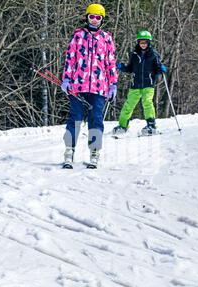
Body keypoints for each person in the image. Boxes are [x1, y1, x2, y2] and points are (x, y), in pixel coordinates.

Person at [61, 3, 118, 169]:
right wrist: (66, 79)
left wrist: (113, 84)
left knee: (96, 119)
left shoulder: (106, 38)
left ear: (102, 19)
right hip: (77, 86)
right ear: (87, 17)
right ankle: (69, 151)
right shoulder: (78, 36)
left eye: (97, 17)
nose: (94, 20)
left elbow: (110, 62)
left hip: (99, 88)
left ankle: (94, 152)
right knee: (75, 118)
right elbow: (70, 59)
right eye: (91, 16)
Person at [113, 30, 167, 136]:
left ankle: (151, 124)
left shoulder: (154, 55)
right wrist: (122, 67)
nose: (143, 45)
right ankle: (123, 125)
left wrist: (161, 69)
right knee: (128, 105)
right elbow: (130, 68)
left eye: (145, 42)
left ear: (149, 43)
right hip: (136, 85)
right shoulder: (134, 55)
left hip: (148, 84)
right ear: (138, 42)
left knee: (147, 102)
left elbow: (157, 69)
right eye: (141, 42)